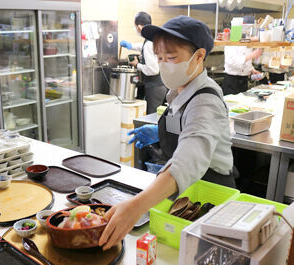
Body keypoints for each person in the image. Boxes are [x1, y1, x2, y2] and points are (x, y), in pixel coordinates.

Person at [99, 16, 235, 250]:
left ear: (199, 56)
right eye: (160, 58)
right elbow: (184, 128)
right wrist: (160, 133)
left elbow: (187, 160)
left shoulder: (205, 101)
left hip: (209, 192)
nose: (164, 65)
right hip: (185, 189)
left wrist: (135, 207)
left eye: (171, 58)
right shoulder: (179, 91)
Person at [120, 12, 167, 114]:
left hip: (155, 87)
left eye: (135, 26)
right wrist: (130, 45)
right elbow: (143, 46)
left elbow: (153, 70)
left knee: (152, 117)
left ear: (140, 27)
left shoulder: (148, 44)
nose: (135, 29)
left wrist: (137, 65)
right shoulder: (151, 40)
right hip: (160, 86)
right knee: (155, 116)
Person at [222, 16, 263, 95]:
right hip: (232, 81)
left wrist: (251, 69)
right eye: (248, 28)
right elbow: (231, 61)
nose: (249, 32)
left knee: (242, 105)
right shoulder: (232, 39)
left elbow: (247, 60)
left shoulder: (246, 40)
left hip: (244, 80)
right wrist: (252, 55)